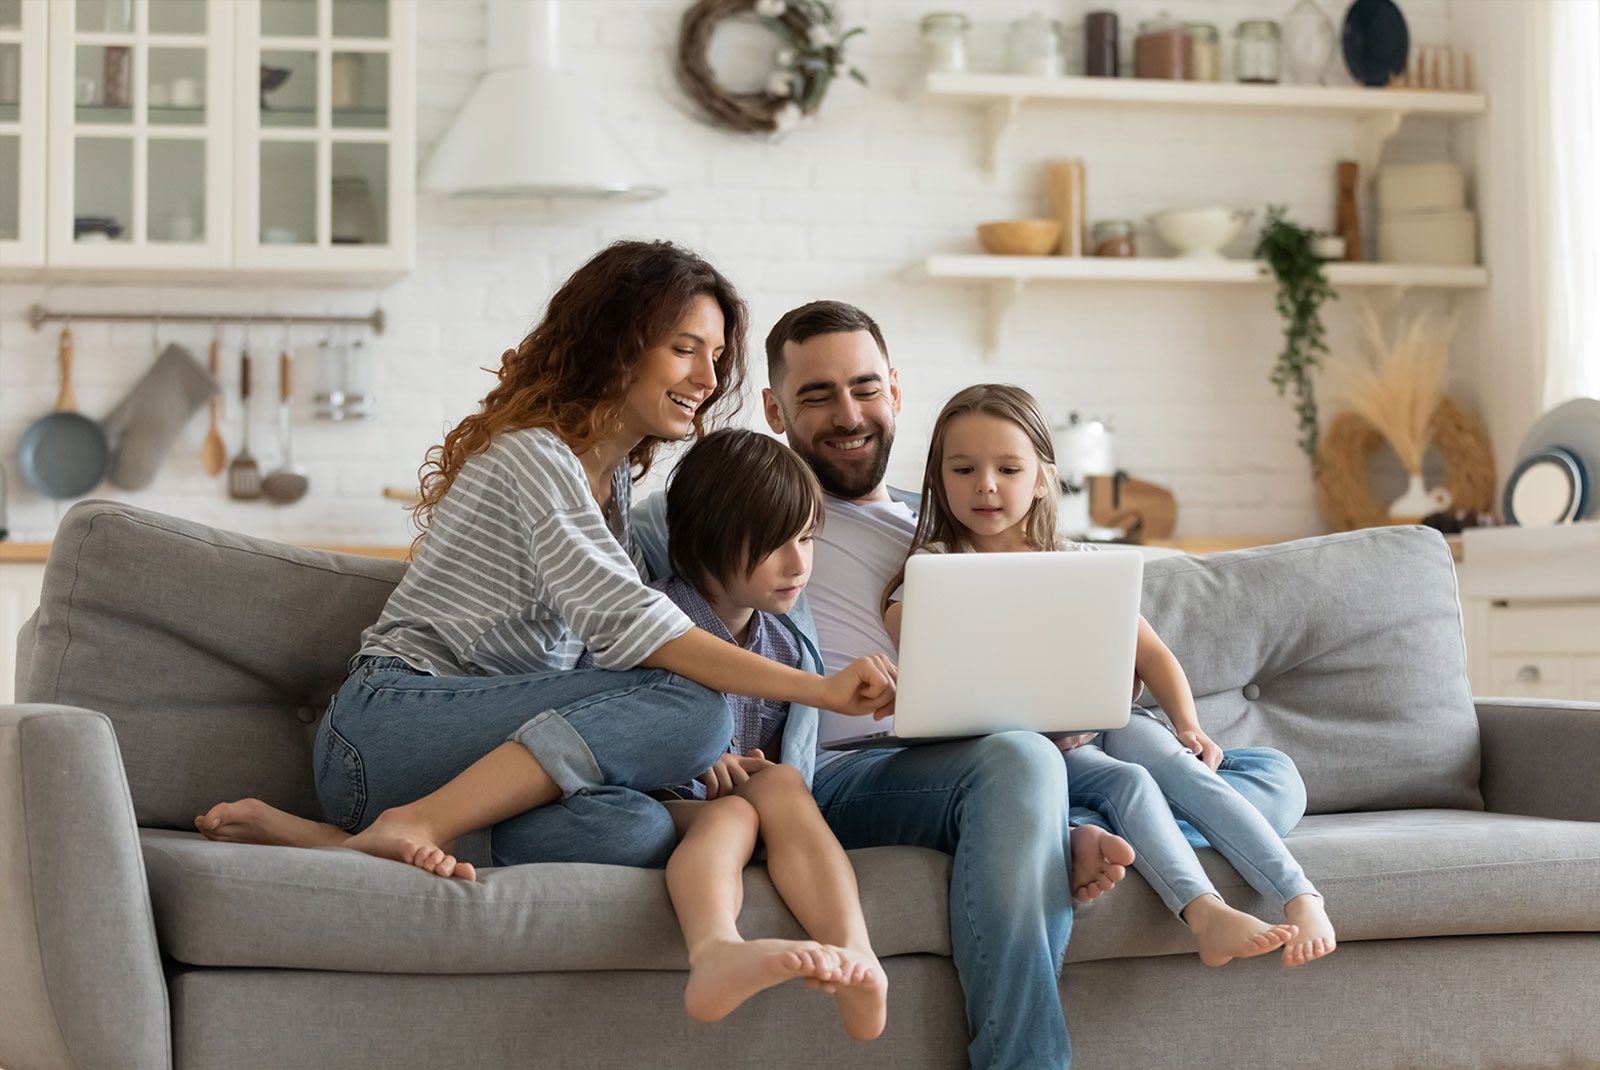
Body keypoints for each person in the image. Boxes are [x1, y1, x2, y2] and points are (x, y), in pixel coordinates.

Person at [708, 298, 1312, 1070]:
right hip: (856, 771)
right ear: (774, 408)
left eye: (863, 387)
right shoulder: (759, 517)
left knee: (1273, 777)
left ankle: (1048, 832)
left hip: (1001, 753)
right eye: (816, 395)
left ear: (894, 389)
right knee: (1025, 760)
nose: (847, 413)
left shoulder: (948, 523)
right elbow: (676, 623)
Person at [196, 242, 897, 890]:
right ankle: (415, 822)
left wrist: (677, 752)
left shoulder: (614, 487)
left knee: (639, 827)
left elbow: (620, 651)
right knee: (695, 707)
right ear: (617, 348)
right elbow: (639, 632)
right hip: (389, 732)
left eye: (715, 356)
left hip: (480, 758)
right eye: (686, 349)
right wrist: (823, 691)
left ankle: (341, 844)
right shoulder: (535, 457)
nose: (708, 379)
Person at [202, 427, 891, 1036]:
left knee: (773, 791)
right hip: (613, 789)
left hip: (650, 814)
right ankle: (712, 945)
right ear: (708, 538)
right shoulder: (648, 621)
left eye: (806, 539)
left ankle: (856, 956)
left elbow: (779, 753)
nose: (798, 563)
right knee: (719, 773)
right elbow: (600, 719)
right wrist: (704, 752)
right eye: (774, 544)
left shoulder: (790, 644)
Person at [882, 383, 1336, 970]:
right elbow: (917, 648)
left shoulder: (1078, 563)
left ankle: (1301, 896)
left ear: (1043, 477)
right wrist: (914, 608)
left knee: (1179, 764)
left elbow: (1154, 656)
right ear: (939, 479)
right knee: (1132, 784)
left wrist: (1189, 725)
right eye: (963, 468)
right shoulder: (936, 572)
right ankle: (1204, 911)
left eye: (1008, 468)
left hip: (1108, 721)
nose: (985, 485)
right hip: (1033, 752)